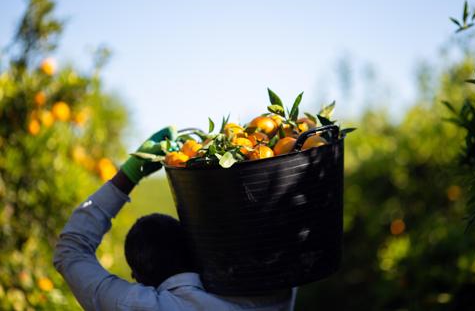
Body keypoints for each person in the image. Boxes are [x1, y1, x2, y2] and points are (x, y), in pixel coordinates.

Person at [53, 127, 297, 311]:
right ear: (195, 250)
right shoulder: (271, 293)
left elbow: (70, 251)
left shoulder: (142, 306)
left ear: (138, 279)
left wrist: (129, 174)